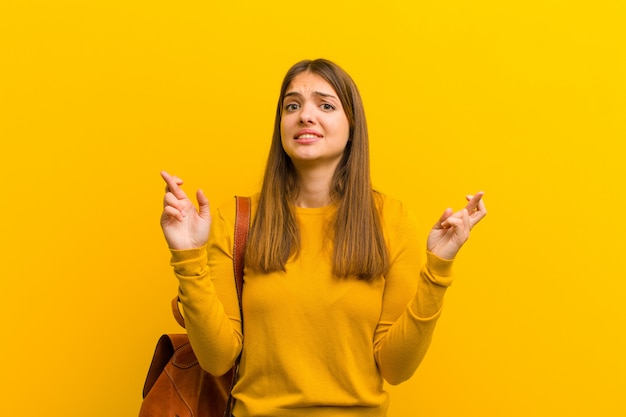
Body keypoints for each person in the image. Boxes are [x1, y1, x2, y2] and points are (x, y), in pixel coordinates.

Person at [159, 58, 487, 417]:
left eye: (325, 104)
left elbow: (396, 368)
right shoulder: (235, 220)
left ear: (352, 127)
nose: (304, 116)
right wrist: (187, 255)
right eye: (292, 105)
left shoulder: (392, 220)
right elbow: (217, 358)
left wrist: (438, 270)